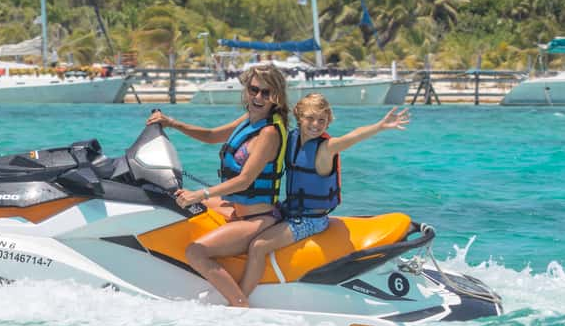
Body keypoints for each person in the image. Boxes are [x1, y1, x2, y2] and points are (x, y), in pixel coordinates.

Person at [237, 94, 411, 301]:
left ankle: (239, 299)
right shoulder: (289, 139)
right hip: (287, 209)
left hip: (311, 220)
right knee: (242, 222)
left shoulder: (326, 149)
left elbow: (354, 136)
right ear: (299, 116)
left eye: (322, 120)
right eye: (310, 118)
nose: (316, 125)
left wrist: (380, 126)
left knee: (258, 246)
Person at [146, 64, 289, 307]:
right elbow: (213, 135)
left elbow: (244, 180)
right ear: (245, 89)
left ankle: (239, 305)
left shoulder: (269, 133)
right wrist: (171, 123)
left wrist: (199, 193)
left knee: (195, 251)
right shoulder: (249, 119)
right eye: (254, 89)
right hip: (235, 208)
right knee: (174, 199)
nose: (258, 97)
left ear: (277, 97)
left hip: (257, 220)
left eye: (266, 93)